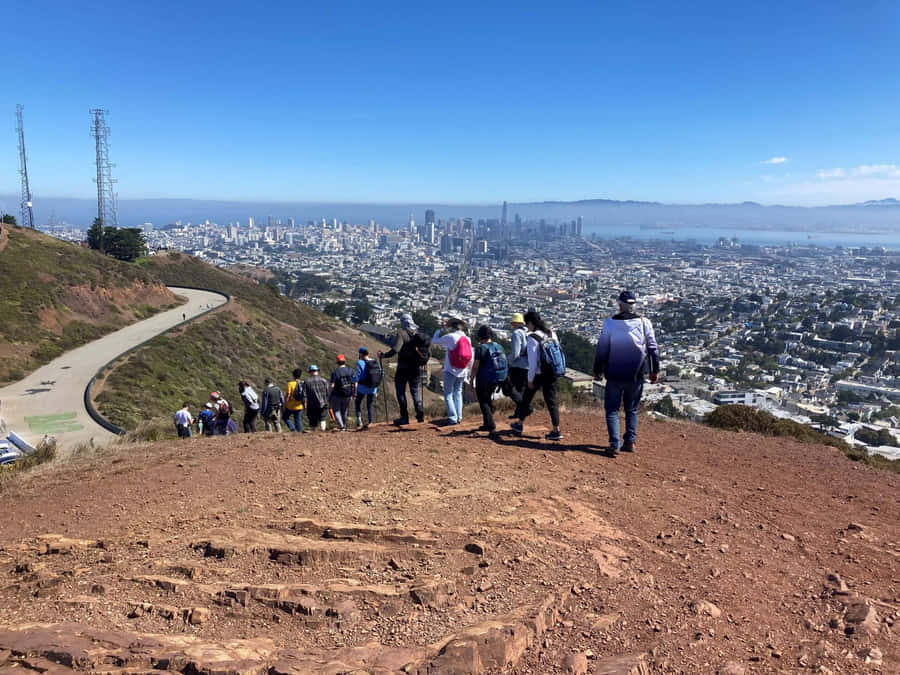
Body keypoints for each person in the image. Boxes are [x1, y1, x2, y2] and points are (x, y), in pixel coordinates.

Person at [594, 290, 660, 455]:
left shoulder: (610, 323)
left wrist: (597, 370)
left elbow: (602, 350)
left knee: (612, 409)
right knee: (632, 409)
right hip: (636, 373)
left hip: (615, 372)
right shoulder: (645, 323)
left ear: (620, 304)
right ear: (634, 304)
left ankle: (614, 444)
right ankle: (630, 442)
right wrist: (654, 370)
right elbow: (653, 348)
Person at [511, 310, 563, 441]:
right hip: (552, 372)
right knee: (551, 401)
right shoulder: (552, 333)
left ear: (530, 323)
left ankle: (519, 425)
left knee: (526, 398)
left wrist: (530, 379)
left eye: (527, 324)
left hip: (539, 373)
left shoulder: (533, 338)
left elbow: (533, 363)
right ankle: (556, 430)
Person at [379, 313, 430, 425]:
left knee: (400, 392)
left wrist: (384, 355)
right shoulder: (417, 333)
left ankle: (404, 417)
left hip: (403, 368)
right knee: (415, 392)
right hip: (416, 368)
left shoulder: (402, 333)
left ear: (403, 322)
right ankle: (420, 415)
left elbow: (396, 349)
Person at [469, 325, 508, 438]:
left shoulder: (481, 348)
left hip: (484, 378)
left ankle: (491, 425)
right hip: (497, 377)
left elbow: (475, 366)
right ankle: (486, 424)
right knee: (488, 399)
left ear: (480, 336)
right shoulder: (499, 346)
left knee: (483, 402)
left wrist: (472, 380)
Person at [432, 317, 472, 425]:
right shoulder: (467, 338)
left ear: (452, 327)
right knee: (458, 393)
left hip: (450, 369)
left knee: (448, 393)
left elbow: (434, 341)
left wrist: (438, 330)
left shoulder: (451, 337)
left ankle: (453, 417)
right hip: (463, 370)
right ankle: (459, 416)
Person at [506, 312, 530, 418]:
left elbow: (516, 353)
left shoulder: (517, 333)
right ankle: (518, 413)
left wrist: (507, 361)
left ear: (515, 323)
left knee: (509, 388)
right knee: (521, 390)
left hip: (518, 366)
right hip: (529, 365)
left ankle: (526, 407)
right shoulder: (528, 332)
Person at [353, 347, 380, 429]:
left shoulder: (359, 362)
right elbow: (380, 373)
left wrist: (354, 382)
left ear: (361, 354)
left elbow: (358, 376)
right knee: (369, 405)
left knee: (357, 402)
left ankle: (359, 421)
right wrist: (376, 388)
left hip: (362, 387)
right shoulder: (374, 361)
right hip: (373, 388)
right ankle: (370, 421)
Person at [329, 354, 354, 431]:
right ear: (344, 361)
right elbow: (355, 383)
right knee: (344, 410)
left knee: (336, 411)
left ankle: (342, 426)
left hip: (337, 395)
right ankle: (344, 425)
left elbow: (332, 386)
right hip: (348, 394)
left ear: (337, 362)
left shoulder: (335, 372)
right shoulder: (350, 370)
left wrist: (329, 395)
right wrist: (354, 393)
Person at [304, 365, 329, 431]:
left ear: (310, 372)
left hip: (311, 404)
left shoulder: (306, 381)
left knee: (312, 421)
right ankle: (323, 432)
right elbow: (328, 392)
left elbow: (304, 394)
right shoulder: (324, 380)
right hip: (323, 403)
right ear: (317, 371)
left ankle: (313, 435)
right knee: (322, 419)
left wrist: (305, 404)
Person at [284, 368, 305, 432]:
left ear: (293, 375)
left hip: (290, 405)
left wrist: (285, 403)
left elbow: (288, 395)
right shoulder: (303, 383)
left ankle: (292, 429)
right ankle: (299, 433)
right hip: (299, 405)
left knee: (285, 417)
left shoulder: (290, 383)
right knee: (298, 420)